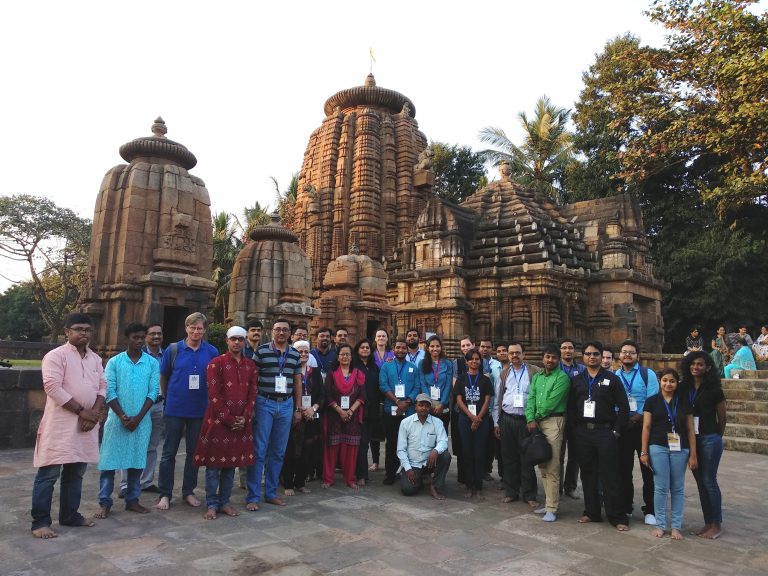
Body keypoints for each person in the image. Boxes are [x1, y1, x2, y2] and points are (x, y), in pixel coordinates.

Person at [30, 313, 106, 538]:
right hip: (60, 426)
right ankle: (40, 522)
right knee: (49, 474)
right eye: (78, 329)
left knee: (76, 473)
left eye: (87, 329)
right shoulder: (56, 356)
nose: (83, 333)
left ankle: (70, 515)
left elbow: (102, 386)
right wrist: (84, 413)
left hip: (86, 426)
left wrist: (94, 413)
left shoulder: (94, 359)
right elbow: (52, 388)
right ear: (67, 332)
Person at [155, 312, 219, 510]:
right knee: (168, 453)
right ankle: (165, 494)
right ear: (186, 328)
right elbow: (164, 375)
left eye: (200, 328)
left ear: (204, 330)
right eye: (193, 328)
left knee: (194, 453)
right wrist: (167, 396)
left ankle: (188, 491)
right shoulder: (174, 350)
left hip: (200, 409)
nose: (196, 332)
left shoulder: (211, 351)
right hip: (175, 408)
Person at [96, 323, 159, 519]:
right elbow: (109, 391)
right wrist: (123, 416)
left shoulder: (151, 363)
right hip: (116, 421)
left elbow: (153, 392)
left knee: (136, 461)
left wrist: (138, 418)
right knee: (108, 463)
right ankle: (104, 501)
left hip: (141, 421)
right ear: (127, 338)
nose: (139, 341)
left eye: (142, 337)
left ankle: (133, 500)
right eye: (136, 337)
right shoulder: (115, 362)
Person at [193, 326, 257, 520]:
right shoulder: (215, 364)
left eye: (240, 339)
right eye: (233, 339)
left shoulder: (251, 366)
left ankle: (225, 502)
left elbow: (252, 393)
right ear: (227, 341)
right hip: (218, 422)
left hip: (241, 422)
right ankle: (211, 504)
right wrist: (229, 419)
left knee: (231, 465)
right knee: (213, 467)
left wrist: (245, 417)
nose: (237, 342)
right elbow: (214, 396)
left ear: (245, 341)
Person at [569, 341, 630, 531]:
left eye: (596, 354)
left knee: (610, 475)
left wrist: (616, 431)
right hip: (583, 433)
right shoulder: (577, 380)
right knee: (588, 474)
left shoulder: (611, 379)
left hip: (605, 432)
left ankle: (617, 516)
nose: (592, 357)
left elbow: (623, 407)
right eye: (588, 354)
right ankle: (592, 512)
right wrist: (575, 431)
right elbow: (571, 407)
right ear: (583, 357)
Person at [246, 319, 302, 510]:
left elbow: (297, 382)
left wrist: (298, 408)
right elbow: (253, 380)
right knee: (259, 450)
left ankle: (270, 493)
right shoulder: (261, 352)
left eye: (285, 330)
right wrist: (251, 406)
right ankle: (253, 495)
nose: (281, 333)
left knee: (278, 451)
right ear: (272, 332)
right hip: (265, 402)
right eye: (278, 329)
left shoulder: (294, 354)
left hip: (286, 404)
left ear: (289, 333)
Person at [640, 368, 697, 539]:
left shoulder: (684, 401)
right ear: (660, 381)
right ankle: (660, 524)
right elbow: (646, 427)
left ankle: (676, 526)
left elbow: (690, 429)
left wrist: (693, 454)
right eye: (665, 380)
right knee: (660, 487)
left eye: (672, 381)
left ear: (677, 383)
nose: (668, 384)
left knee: (678, 488)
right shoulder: (652, 401)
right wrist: (644, 451)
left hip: (681, 448)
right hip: (658, 447)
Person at [681, 351, 726, 540]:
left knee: (709, 480)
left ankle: (716, 524)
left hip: (708, 438)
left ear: (707, 367)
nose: (695, 367)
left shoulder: (714, 389)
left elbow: (722, 417)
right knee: (700, 483)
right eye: (692, 364)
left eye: (700, 364)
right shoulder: (684, 387)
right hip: (691, 438)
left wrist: (716, 436)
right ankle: (708, 522)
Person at [615, 340, 659, 525]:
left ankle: (650, 509)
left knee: (648, 469)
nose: (627, 355)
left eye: (631, 352)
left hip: (644, 428)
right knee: (623, 470)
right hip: (623, 428)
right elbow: (613, 402)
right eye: (624, 352)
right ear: (619, 355)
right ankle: (627, 506)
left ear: (637, 356)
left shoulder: (647, 374)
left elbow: (654, 399)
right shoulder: (615, 376)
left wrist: (638, 417)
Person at [118, 323, 165, 497]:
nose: (156, 337)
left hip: (158, 404)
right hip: (138, 405)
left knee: (152, 446)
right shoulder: (137, 356)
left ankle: (146, 481)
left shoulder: (166, 355)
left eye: (159, 334)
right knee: (131, 443)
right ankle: (125, 484)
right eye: (152, 334)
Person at [526, 344, 570, 522]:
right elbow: (531, 398)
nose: (550, 360)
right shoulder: (537, 377)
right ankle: (548, 503)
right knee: (542, 463)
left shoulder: (562, 378)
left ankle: (552, 507)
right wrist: (529, 418)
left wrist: (534, 417)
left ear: (558, 359)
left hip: (553, 421)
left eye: (553, 357)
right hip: (537, 422)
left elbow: (550, 403)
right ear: (542, 358)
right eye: (547, 357)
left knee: (552, 465)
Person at [495, 342, 540, 507]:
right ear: (507, 355)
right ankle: (511, 491)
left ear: (524, 354)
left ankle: (529, 494)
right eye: (511, 353)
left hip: (525, 421)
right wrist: (497, 422)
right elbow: (499, 398)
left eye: (518, 353)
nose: (514, 356)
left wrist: (534, 419)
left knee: (526, 457)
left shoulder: (534, 371)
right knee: (508, 457)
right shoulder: (504, 373)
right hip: (507, 419)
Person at [281, 340, 324, 496]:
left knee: (308, 452)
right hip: (294, 415)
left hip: (312, 416)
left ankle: (300, 482)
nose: (304, 354)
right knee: (291, 451)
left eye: (306, 351)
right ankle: (288, 484)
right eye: (300, 351)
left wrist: (312, 409)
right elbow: (286, 393)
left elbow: (322, 395)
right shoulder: (289, 370)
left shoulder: (315, 372)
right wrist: (298, 409)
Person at [322, 343, 366, 489]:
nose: (345, 357)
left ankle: (350, 479)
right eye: (342, 354)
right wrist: (340, 411)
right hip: (335, 416)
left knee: (351, 449)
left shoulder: (358, 374)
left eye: (348, 354)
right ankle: (328, 479)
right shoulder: (331, 374)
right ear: (338, 357)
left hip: (352, 417)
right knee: (331, 448)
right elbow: (327, 395)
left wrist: (350, 411)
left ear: (351, 357)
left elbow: (362, 396)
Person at [453, 348, 494, 500]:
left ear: (480, 361)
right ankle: (469, 485)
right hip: (465, 419)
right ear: (467, 361)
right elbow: (458, 399)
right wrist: (471, 416)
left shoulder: (485, 380)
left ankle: (478, 486)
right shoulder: (462, 379)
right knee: (467, 453)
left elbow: (487, 400)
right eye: (471, 359)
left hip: (482, 421)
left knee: (479, 453)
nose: (474, 361)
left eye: (477, 359)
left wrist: (478, 418)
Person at [379, 336, 419, 485]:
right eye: (398, 347)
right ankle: (390, 473)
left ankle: (406, 472)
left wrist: (407, 402)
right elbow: (383, 385)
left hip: (408, 412)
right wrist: (397, 401)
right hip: (391, 410)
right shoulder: (386, 366)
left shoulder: (413, 367)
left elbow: (417, 387)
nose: (401, 350)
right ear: (393, 349)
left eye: (403, 348)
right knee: (392, 443)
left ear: (407, 350)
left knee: (408, 443)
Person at [396, 393, 451, 499]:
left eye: (427, 405)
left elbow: (443, 441)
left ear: (430, 408)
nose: (424, 408)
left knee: (445, 456)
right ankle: (419, 479)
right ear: (415, 406)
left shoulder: (437, 422)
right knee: (408, 490)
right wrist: (408, 468)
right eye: (421, 405)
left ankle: (434, 486)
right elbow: (401, 450)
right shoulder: (405, 423)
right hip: (413, 464)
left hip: (429, 462)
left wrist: (436, 450)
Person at [559, 338, 585, 499]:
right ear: (560, 351)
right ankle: (558, 489)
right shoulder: (556, 368)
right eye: (564, 348)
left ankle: (570, 487)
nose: (567, 351)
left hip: (576, 416)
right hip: (560, 415)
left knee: (575, 455)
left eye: (570, 348)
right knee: (558, 454)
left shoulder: (582, 369)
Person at [353, 338, 380, 486]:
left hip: (373, 409)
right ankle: (361, 474)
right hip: (358, 409)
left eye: (367, 348)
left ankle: (363, 472)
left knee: (368, 441)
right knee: (361, 443)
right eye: (362, 347)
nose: (365, 350)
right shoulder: (354, 367)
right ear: (357, 350)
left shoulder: (374, 367)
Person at [418, 335, 453, 435]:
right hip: (428, 405)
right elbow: (422, 384)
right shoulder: (422, 363)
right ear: (428, 348)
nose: (435, 349)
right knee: (428, 435)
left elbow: (448, 385)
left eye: (437, 346)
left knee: (443, 434)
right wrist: (430, 403)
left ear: (441, 347)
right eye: (432, 346)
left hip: (443, 405)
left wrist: (442, 403)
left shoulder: (447, 363)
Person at [451, 335, 475, 486]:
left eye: (468, 345)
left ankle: (476, 475)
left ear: (473, 344)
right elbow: (455, 387)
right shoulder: (456, 363)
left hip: (478, 409)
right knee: (461, 442)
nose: (465, 348)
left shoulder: (481, 361)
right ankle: (463, 476)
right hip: (460, 408)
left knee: (476, 445)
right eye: (463, 346)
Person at [369, 328, 394, 472]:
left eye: (383, 336)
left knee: (389, 428)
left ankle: (390, 461)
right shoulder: (372, 355)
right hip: (375, 393)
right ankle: (376, 461)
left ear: (387, 338)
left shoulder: (392, 354)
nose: (381, 338)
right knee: (374, 429)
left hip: (390, 393)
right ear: (375, 338)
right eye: (379, 336)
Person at [479, 338, 501, 481]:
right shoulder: (474, 362)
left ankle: (487, 469)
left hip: (493, 407)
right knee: (480, 440)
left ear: (491, 349)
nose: (485, 349)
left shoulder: (497, 365)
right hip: (477, 407)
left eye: (487, 347)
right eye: (482, 346)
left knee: (490, 442)